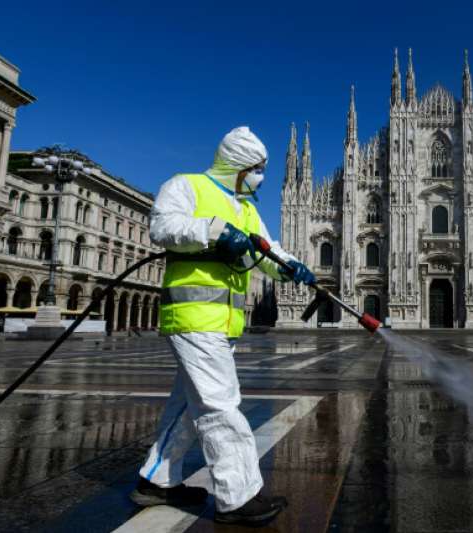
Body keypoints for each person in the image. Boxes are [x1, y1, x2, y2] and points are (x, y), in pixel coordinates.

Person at [129, 126, 316, 527]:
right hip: (193, 317)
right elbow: (163, 227)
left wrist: (291, 267)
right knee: (219, 405)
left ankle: (156, 479)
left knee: (186, 407)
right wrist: (213, 233)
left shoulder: (245, 208)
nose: (260, 176)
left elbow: (268, 250)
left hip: (222, 323)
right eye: (257, 168)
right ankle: (237, 496)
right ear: (238, 164)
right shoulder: (187, 186)